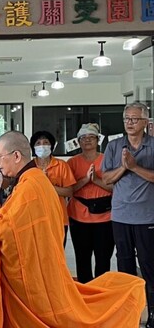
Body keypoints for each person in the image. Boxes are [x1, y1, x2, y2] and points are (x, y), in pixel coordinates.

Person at [0, 131, 145, 328]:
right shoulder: (32, 181)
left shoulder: (30, 187)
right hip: (41, 266)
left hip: (34, 278)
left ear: (16, 156)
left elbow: (7, 231)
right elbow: (13, 223)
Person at [102, 102, 154, 328]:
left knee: (149, 267)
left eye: (134, 119)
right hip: (121, 215)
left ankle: (152, 314)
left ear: (145, 122)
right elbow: (106, 179)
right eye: (126, 119)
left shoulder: (152, 146)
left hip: (147, 216)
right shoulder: (114, 146)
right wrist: (124, 167)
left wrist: (133, 167)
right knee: (124, 267)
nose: (130, 123)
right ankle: (127, 316)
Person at [67, 123, 114, 284]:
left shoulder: (107, 160)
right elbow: (69, 189)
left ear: (98, 140)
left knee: (103, 259)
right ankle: (85, 292)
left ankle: (101, 292)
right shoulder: (72, 163)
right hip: (79, 217)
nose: (87, 141)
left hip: (105, 217)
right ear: (78, 142)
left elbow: (115, 187)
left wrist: (96, 180)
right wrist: (86, 179)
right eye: (83, 138)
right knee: (82, 258)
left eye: (91, 137)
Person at [30, 130, 75, 247]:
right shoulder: (29, 166)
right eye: (38, 143)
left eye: (45, 143)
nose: (42, 146)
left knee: (57, 255)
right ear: (33, 147)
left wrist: (47, 185)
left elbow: (69, 192)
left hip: (58, 218)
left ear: (51, 146)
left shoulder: (61, 165)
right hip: (35, 218)